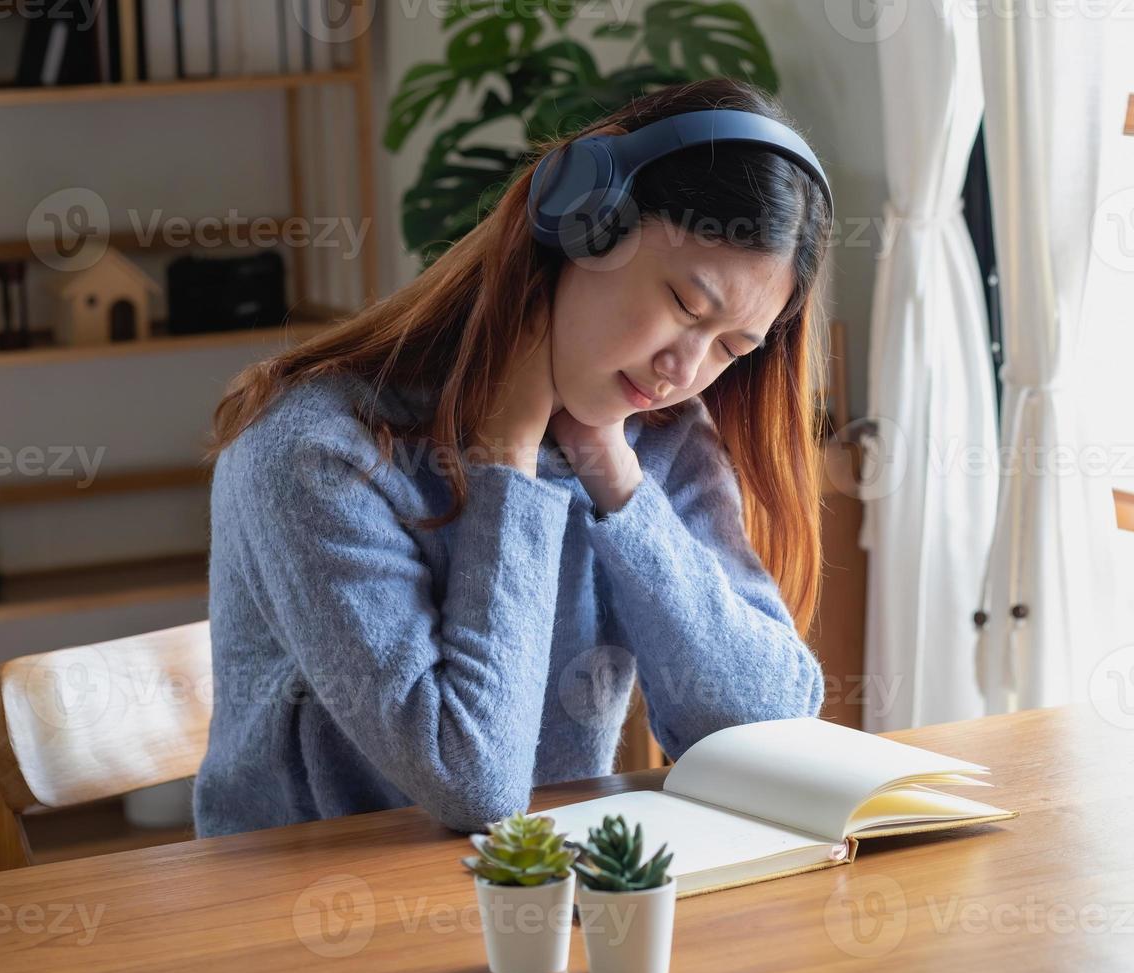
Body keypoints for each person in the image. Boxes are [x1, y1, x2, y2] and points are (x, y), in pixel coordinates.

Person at [193, 77, 835, 836]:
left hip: (538, 892)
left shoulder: (656, 439)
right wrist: (509, 460)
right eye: (684, 306)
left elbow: (765, 727)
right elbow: (470, 781)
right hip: (300, 920)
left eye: (730, 346)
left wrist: (611, 471)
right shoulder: (314, 451)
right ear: (581, 225)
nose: (683, 370)